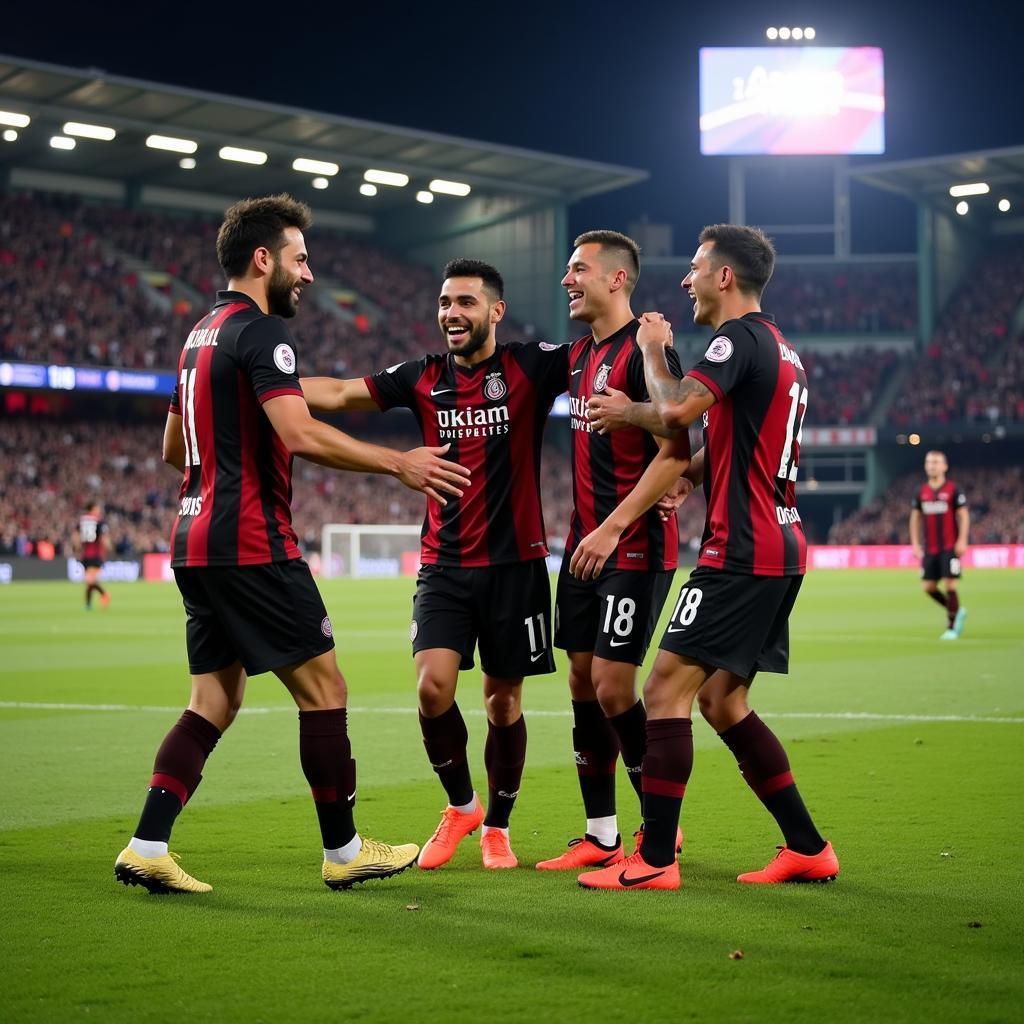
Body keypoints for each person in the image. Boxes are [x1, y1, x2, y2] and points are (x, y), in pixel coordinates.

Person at [114, 194, 469, 894]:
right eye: (300, 259)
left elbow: (170, 446)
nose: (308, 274)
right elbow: (301, 435)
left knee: (212, 700)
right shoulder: (261, 332)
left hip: (193, 535)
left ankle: (147, 844)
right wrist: (398, 462)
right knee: (325, 689)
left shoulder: (199, 334)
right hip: (251, 539)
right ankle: (343, 852)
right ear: (263, 258)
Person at [580, 224, 838, 890]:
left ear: (726, 277)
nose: (687, 280)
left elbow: (676, 410)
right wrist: (692, 474)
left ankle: (656, 860)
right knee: (723, 701)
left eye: (696, 269)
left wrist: (652, 348)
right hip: (780, 543)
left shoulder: (736, 338)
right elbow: (731, 436)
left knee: (663, 689)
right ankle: (807, 847)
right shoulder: (781, 348)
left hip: (742, 550)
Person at [302, 259, 568, 871]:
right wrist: (265, 383)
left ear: (495, 311)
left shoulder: (531, 366)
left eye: (467, 303)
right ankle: (462, 806)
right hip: (444, 565)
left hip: (516, 566)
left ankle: (497, 827)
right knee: (431, 688)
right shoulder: (421, 378)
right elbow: (342, 394)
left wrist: (645, 328)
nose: (452, 313)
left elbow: (603, 350)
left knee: (503, 704)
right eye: (446, 302)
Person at [536, 231, 689, 872]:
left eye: (579, 269)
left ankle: (659, 828)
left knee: (611, 682)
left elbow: (680, 442)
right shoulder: (576, 357)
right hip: (582, 544)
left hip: (631, 545)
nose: (568, 279)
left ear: (618, 279)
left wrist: (614, 526)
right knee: (579, 679)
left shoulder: (648, 352)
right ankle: (601, 834)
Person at [909, 450, 969, 639]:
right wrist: (916, 544)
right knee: (928, 587)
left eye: (935, 462)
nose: (931, 465)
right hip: (930, 548)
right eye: (928, 462)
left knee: (950, 584)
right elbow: (915, 518)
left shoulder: (953, 490)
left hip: (949, 546)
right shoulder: (921, 492)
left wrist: (962, 540)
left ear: (944, 466)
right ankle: (956, 610)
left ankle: (951, 628)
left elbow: (963, 515)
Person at [74, 502, 111, 609]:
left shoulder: (82, 521)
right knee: (90, 581)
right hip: (96, 554)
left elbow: (76, 537)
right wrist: (108, 547)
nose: (99, 510)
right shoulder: (99, 521)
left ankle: (92, 602)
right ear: (92, 509)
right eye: (97, 508)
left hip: (86, 554)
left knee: (89, 580)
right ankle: (101, 596)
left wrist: (77, 547)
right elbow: (104, 538)